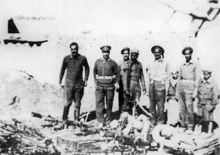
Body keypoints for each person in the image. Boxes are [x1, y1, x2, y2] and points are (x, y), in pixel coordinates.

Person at [59, 42, 90, 123]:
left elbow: (87, 68)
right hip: (68, 85)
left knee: (77, 104)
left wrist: (86, 79)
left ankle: (76, 121)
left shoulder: (82, 58)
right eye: (72, 49)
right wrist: (60, 81)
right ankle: (64, 120)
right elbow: (62, 70)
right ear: (70, 49)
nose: (74, 51)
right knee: (67, 103)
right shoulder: (66, 58)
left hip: (78, 86)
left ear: (77, 49)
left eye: (75, 49)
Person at [93, 45, 120, 128]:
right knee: (99, 104)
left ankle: (108, 120)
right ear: (102, 52)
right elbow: (94, 72)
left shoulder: (113, 63)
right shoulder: (97, 62)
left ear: (109, 52)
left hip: (110, 86)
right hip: (100, 86)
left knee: (109, 104)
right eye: (104, 52)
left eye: (107, 52)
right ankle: (100, 121)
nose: (105, 54)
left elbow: (118, 73)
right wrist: (95, 82)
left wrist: (117, 82)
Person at [176, 47, 201, 133]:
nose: (187, 56)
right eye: (185, 54)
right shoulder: (182, 65)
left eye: (188, 54)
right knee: (181, 108)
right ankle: (182, 125)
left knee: (189, 107)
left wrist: (195, 90)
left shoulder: (195, 64)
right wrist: (177, 91)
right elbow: (179, 78)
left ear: (191, 54)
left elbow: (198, 78)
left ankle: (190, 127)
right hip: (181, 87)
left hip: (190, 87)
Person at [148, 45, 170, 125]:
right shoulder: (151, 62)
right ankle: (153, 120)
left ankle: (160, 121)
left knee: (160, 104)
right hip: (152, 84)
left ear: (161, 53)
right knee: (152, 104)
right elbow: (149, 74)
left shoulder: (165, 62)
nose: (157, 54)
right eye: (155, 52)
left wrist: (166, 88)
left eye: (158, 52)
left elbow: (168, 75)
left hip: (160, 84)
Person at [124, 49, 146, 115]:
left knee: (137, 101)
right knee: (129, 101)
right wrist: (126, 89)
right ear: (130, 55)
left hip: (137, 84)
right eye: (132, 55)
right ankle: (129, 116)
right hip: (130, 84)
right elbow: (126, 77)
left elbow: (142, 76)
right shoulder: (128, 64)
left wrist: (144, 87)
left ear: (137, 56)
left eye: (135, 55)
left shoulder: (139, 64)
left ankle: (135, 114)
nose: (134, 56)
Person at [118, 47, 131, 113]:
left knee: (128, 99)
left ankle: (129, 113)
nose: (126, 55)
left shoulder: (131, 63)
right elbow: (117, 74)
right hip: (121, 84)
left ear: (129, 54)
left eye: (127, 53)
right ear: (122, 54)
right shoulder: (119, 63)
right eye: (124, 53)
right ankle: (121, 113)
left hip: (129, 84)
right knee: (121, 99)